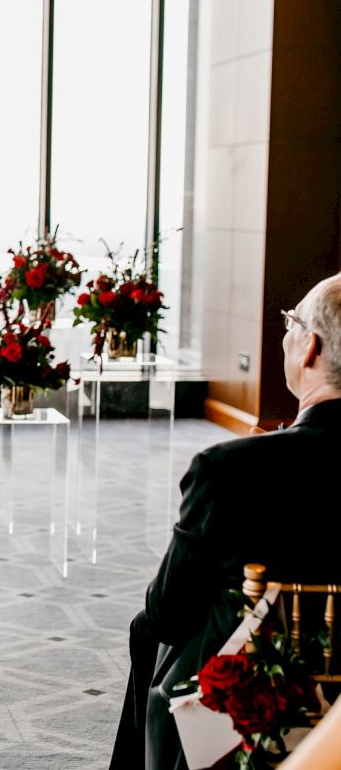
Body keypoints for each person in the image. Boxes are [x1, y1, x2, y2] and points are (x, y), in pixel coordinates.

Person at [110, 272, 341, 768]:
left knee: (146, 627)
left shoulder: (230, 469)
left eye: (291, 323)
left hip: (258, 701)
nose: (287, 333)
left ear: (310, 349)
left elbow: (169, 611)